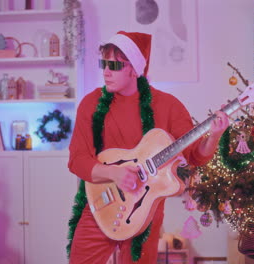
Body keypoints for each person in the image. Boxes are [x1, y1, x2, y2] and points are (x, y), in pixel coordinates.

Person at [67, 31, 229, 264]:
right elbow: (77, 160)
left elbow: (194, 156)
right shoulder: (91, 104)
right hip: (101, 202)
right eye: (104, 63)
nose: (106, 71)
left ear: (134, 69)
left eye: (114, 65)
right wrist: (115, 173)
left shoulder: (169, 106)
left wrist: (214, 135)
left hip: (144, 210)